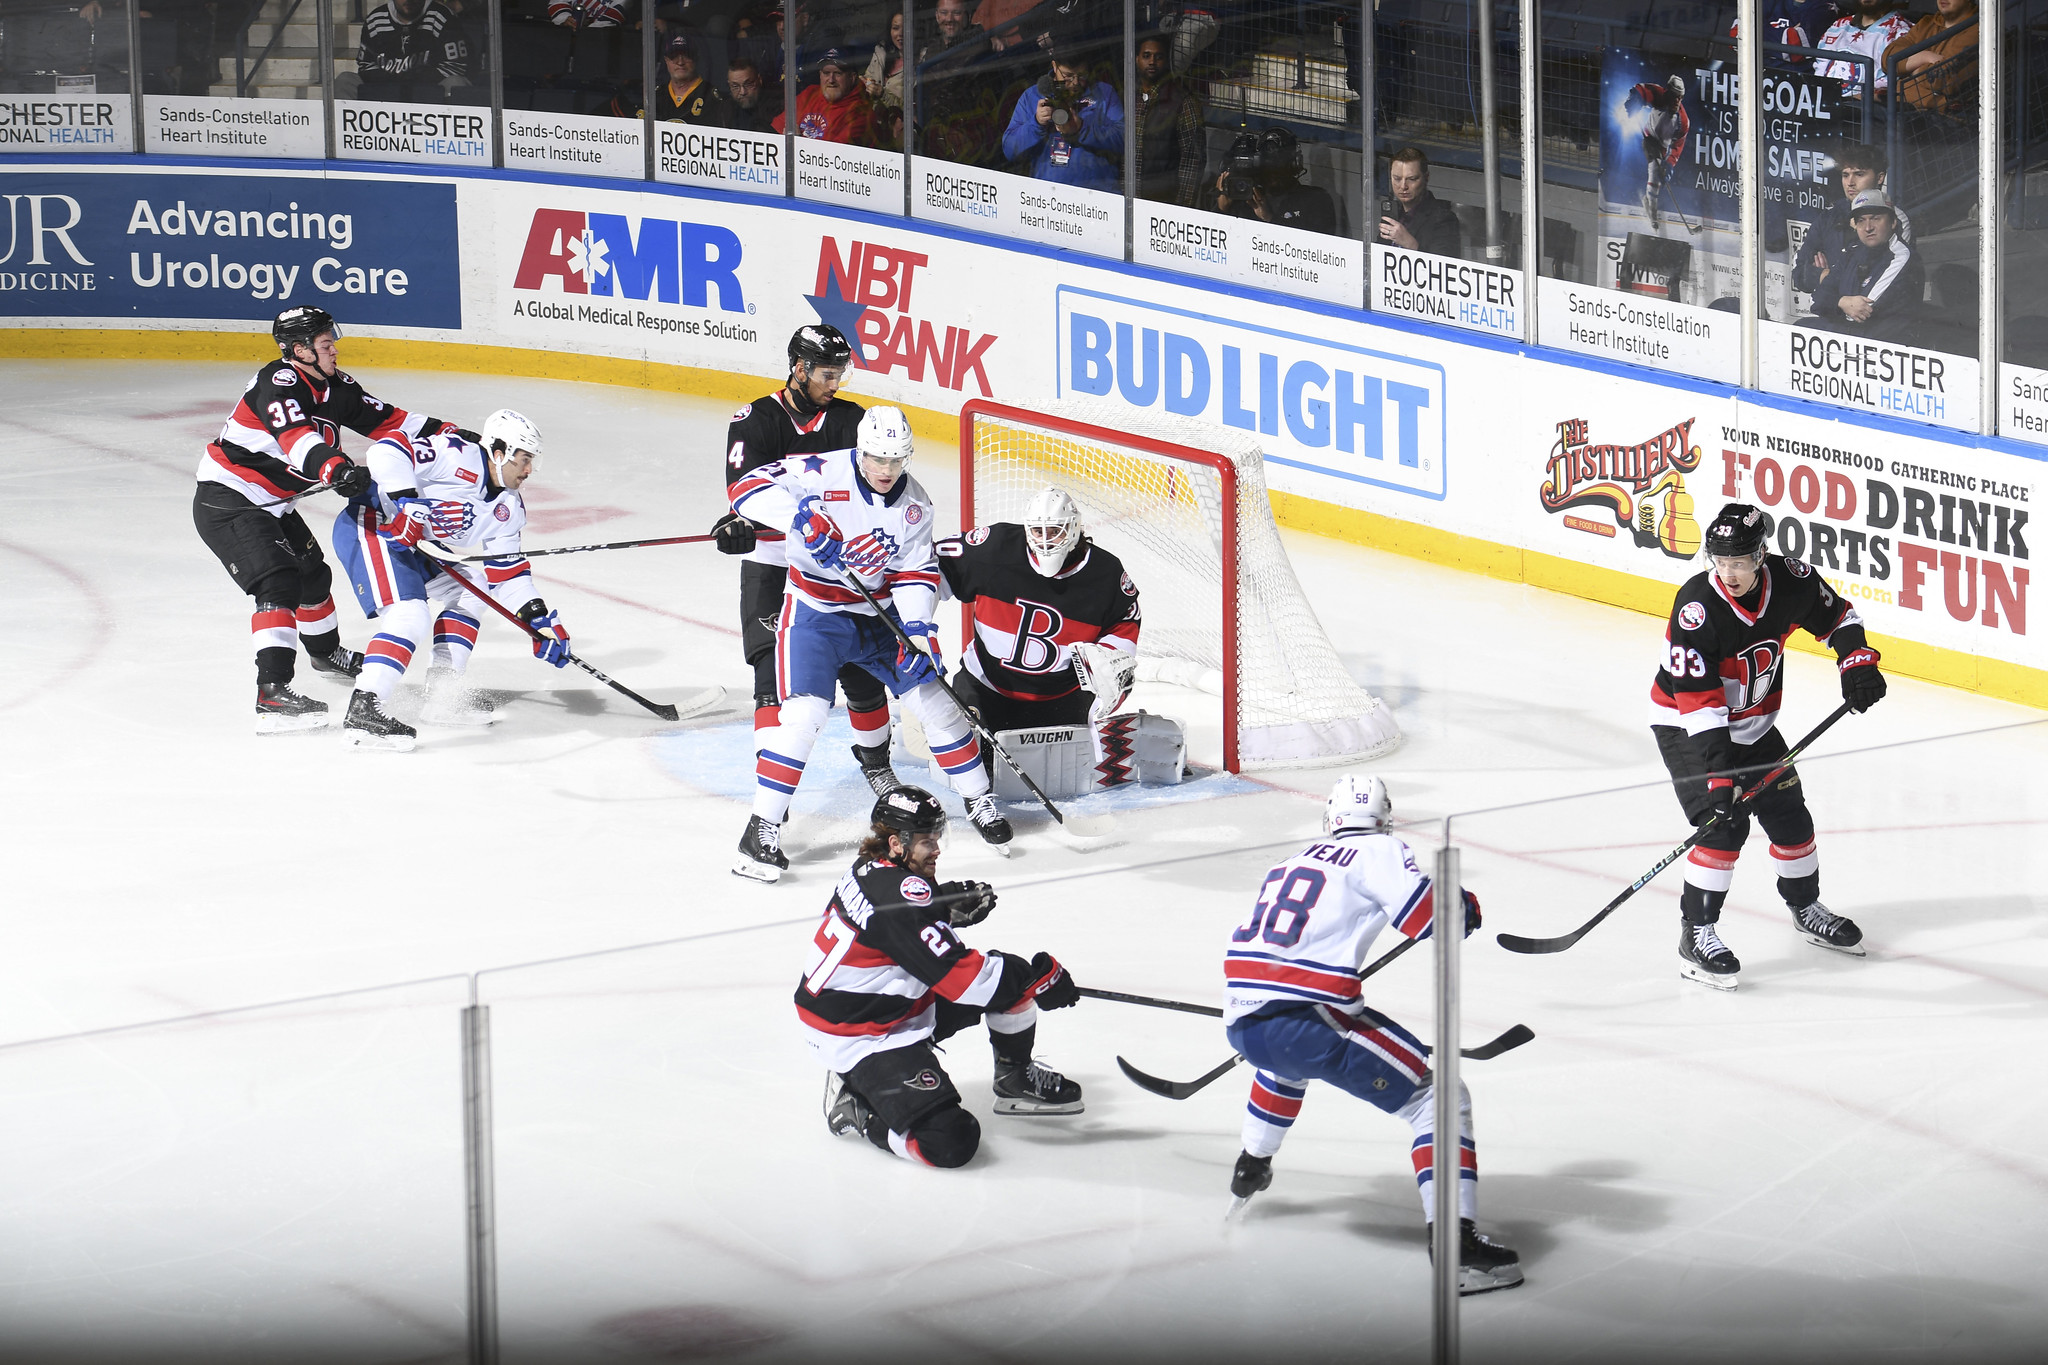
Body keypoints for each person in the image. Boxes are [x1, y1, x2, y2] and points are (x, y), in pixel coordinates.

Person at [1222, 775, 1522, 1296]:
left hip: (1244, 1021)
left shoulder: (1289, 862)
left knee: (1283, 1068)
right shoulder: (1380, 849)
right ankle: (1459, 1253)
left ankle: (1250, 1167)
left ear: (1330, 818)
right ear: (1385, 818)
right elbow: (1427, 918)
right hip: (1308, 1022)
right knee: (1438, 1101)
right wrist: (1462, 906)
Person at [727, 406, 1016, 880]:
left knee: (937, 705)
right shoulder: (818, 471)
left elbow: (914, 572)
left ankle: (979, 800)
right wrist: (801, 517)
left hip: (880, 619)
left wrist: (919, 631)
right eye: (878, 459)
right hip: (815, 615)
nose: (887, 469)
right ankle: (760, 831)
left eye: (897, 460)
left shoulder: (915, 504)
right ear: (860, 451)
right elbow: (745, 487)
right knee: (803, 717)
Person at [192, 307, 471, 734]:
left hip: (275, 503)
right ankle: (272, 694)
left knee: (313, 578)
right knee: (278, 582)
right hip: (230, 500)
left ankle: (324, 655)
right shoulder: (278, 384)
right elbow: (297, 440)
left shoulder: (335, 385)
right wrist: (336, 468)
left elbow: (390, 421)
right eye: (325, 344)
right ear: (300, 350)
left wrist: (453, 436)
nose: (334, 350)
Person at [1650, 503, 1886, 990]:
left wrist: (1857, 662)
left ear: (1761, 555)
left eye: (1738, 561)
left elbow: (1840, 617)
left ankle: (1805, 907)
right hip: (1689, 728)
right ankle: (1696, 934)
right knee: (1723, 825)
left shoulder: (1791, 581)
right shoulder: (1697, 608)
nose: (1728, 573)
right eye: (1719, 561)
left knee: (1790, 815)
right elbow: (1700, 706)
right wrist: (1720, 779)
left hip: (1754, 726)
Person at [800, 787, 1085, 1168]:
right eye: (926, 841)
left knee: (1009, 979)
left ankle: (1014, 1079)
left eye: (937, 837)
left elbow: (892, 923)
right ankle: (857, 1109)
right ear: (896, 843)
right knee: (950, 1141)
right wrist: (1039, 980)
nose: (937, 849)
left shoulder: (872, 866)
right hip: (861, 1036)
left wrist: (940, 906)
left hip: (876, 1006)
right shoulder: (899, 896)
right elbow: (966, 982)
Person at [712, 325, 898, 798]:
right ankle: (770, 784)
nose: (834, 385)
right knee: (770, 675)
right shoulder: (755, 420)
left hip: (834, 562)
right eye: (827, 375)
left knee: (861, 672)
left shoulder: (852, 421)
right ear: (800, 369)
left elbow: (877, 486)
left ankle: (877, 767)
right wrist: (737, 523)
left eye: (840, 375)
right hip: (773, 562)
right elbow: (745, 492)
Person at [329, 411, 571, 750]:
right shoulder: (457, 454)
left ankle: (442, 695)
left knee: (473, 589)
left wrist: (538, 619)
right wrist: (407, 503)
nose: (529, 470)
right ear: (499, 452)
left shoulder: (508, 508)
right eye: (524, 459)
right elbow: (386, 450)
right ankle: (364, 709)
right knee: (409, 614)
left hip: (415, 545)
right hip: (374, 524)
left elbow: (508, 574)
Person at [933, 487, 1141, 737]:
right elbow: (931, 567)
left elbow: (1125, 619)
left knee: (1065, 764)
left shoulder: (1104, 574)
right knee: (970, 758)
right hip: (984, 688)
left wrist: (1112, 655)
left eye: (1055, 531)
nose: (1045, 540)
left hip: (1062, 699)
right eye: (1038, 531)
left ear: (1074, 528)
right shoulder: (995, 548)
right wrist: (916, 624)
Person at [1801, 190, 1925, 344]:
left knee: (1805, 328)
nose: (1868, 228)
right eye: (1861, 220)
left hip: (1883, 344)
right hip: (1854, 336)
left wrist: (1834, 302)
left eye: (1875, 219)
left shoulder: (1902, 256)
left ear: (1893, 222)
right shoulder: (1854, 251)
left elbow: (1862, 311)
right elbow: (1817, 301)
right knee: (1801, 327)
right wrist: (1841, 302)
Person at [1791, 143, 1914, 297]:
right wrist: (1833, 280)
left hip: (1870, 308)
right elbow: (1799, 275)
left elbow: (1876, 281)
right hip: (1826, 307)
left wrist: (1825, 276)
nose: (1850, 182)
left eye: (1859, 174)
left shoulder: (1895, 219)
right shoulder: (1829, 216)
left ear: (1880, 178)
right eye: (1845, 175)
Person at [1000, 47, 1123, 193]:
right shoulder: (1032, 96)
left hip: (1097, 194)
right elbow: (1009, 150)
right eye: (1068, 76)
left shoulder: (1104, 94)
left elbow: (1124, 140)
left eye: (1081, 76)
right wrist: (1036, 123)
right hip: (1047, 195)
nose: (1075, 82)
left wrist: (1081, 129)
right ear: (1054, 66)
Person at [917, 0, 1004, 166]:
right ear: (937, 16)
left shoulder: (978, 41)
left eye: (956, 13)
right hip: (935, 131)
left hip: (966, 135)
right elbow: (923, 86)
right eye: (944, 13)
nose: (949, 19)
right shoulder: (933, 47)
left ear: (967, 16)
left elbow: (952, 85)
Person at [1211, 128, 1335, 233]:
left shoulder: (1315, 200)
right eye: (1267, 165)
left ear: (1294, 164)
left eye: (1279, 164)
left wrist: (1269, 218)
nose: (1273, 171)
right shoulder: (1243, 197)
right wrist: (1221, 208)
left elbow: (1314, 246)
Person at [1133, 30, 1206, 207]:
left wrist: (1182, 207)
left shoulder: (1183, 101)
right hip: (1125, 197)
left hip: (1164, 200)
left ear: (1167, 61)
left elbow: (1192, 159)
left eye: (1158, 57)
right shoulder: (1128, 95)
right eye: (1146, 56)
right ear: (1136, 59)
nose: (1152, 62)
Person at [349, 0, 470, 100]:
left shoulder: (443, 16)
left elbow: (455, 67)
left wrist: (412, 82)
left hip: (430, 94)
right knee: (346, 81)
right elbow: (366, 66)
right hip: (386, 94)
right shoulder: (375, 19)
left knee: (456, 83)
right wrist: (395, 85)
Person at [1884, 0, 1978, 110]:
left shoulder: (1979, 29)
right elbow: (1888, 59)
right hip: (1908, 109)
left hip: (1948, 117)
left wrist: (1909, 68)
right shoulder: (1926, 23)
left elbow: (1944, 79)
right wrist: (1924, 57)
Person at [1813, 0, 1914, 99]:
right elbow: (1821, 66)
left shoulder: (1902, 33)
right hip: (1822, 102)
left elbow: (1887, 85)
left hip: (1861, 106)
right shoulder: (1838, 25)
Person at [773, 47, 875, 144]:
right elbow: (776, 130)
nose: (831, 80)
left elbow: (833, 153)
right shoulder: (810, 93)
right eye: (826, 73)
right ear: (820, 75)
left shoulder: (860, 112)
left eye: (838, 73)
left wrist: (798, 142)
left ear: (852, 78)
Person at [1630, 75, 1690, 228]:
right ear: (1667, 93)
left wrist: (1669, 164)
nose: (1677, 101)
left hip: (1662, 148)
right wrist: (1634, 99)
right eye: (1674, 96)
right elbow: (1642, 90)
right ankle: (1653, 216)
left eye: (1680, 97)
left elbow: (1677, 146)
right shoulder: (1659, 95)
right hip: (1649, 138)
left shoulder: (1683, 121)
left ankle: (1648, 201)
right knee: (1654, 171)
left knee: (1658, 180)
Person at [1379, 145, 1461, 257]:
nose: (1403, 186)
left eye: (1412, 179)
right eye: (1397, 179)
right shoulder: (1393, 213)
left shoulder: (1444, 218)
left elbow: (1445, 264)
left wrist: (1411, 244)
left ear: (1426, 178)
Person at [642, 32, 727, 122]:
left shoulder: (711, 97)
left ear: (696, 58)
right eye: (674, 56)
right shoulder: (655, 96)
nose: (680, 62)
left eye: (686, 56)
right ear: (666, 60)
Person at [722, 56, 777, 132]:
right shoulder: (725, 110)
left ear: (759, 80)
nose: (742, 92)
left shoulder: (776, 107)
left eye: (748, 84)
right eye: (735, 86)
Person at [546, 0, 629, 26]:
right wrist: (564, 19)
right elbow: (557, 3)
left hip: (598, 41)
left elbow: (612, 20)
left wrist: (587, 31)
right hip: (565, 35)